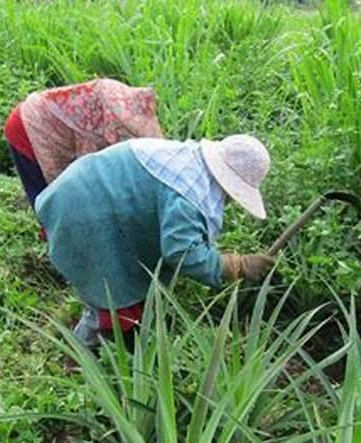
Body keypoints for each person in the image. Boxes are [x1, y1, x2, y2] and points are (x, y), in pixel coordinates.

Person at [34, 135, 276, 349]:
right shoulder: (188, 195)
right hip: (85, 216)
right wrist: (236, 265)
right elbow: (182, 253)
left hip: (78, 193)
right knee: (113, 303)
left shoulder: (184, 160)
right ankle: (81, 356)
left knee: (120, 295)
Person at [3, 78, 163, 211]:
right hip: (28, 125)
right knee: (46, 197)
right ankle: (54, 239)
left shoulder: (122, 100)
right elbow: (90, 167)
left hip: (38, 116)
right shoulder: (113, 110)